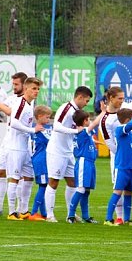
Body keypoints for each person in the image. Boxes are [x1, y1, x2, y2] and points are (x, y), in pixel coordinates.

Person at [98, 82, 132, 222]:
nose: (122, 101)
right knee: (118, 187)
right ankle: (119, 217)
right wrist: (123, 152)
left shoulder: (125, 109)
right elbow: (108, 142)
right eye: (119, 98)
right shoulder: (105, 120)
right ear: (110, 98)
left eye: (123, 98)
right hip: (119, 158)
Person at [44, 85, 93, 222]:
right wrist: (75, 131)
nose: (86, 104)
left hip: (68, 151)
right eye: (86, 101)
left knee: (72, 182)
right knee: (53, 181)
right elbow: (56, 126)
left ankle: (70, 214)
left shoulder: (77, 112)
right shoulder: (66, 108)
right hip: (57, 151)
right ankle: (50, 215)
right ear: (79, 97)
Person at [0, 72, 27, 216]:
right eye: (13, 84)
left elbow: (10, 112)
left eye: (16, 84)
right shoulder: (11, 98)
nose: (13, 87)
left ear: (24, 85)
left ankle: (20, 208)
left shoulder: (25, 101)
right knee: (0, 172)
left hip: (19, 142)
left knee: (17, 176)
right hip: (7, 140)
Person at [3, 77, 42, 220]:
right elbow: (13, 122)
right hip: (15, 147)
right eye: (33, 88)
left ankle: (24, 210)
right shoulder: (21, 103)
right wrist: (32, 130)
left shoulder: (29, 105)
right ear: (26, 89)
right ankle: (12, 212)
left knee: (29, 177)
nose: (36, 91)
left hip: (24, 147)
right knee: (14, 178)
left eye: (38, 89)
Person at [104, 107, 132, 225]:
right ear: (127, 120)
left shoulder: (130, 134)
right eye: (131, 119)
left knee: (129, 192)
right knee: (117, 192)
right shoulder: (120, 130)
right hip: (122, 167)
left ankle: (127, 219)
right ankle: (108, 218)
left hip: (131, 167)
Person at [68, 109, 103, 224]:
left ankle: (86, 216)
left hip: (89, 163)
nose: (90, 121)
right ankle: (71, 215)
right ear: (84, 121)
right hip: (84, 162)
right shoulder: (83, 131)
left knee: (86, 190)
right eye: (88, 119)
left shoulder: (83, 133)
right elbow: (95, 124)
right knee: (81, 189)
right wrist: (103, 112)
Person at [27, 105, 53, 221]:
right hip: (41, 161)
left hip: (40, 160)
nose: (48, 120)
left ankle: (43, 213)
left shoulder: (36, 129)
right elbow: (49, 143)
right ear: (39, 116)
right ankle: (34, 212)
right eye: (47, 118)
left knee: (44, 185)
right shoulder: (40, 131)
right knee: (43, 186)